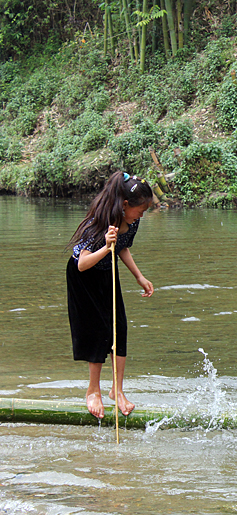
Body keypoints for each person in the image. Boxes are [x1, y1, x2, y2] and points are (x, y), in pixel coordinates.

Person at [67, 171, 154, 419]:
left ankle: (117, 390)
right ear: (125, 205)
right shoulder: (97, 223)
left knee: (119, 328)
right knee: (98, 331)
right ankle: (93, 390)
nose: (142, 214)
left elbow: (122, 247)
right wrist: (106, 246)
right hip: (85, 277)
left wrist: (139, 276)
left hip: (107, 270)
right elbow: (83, 264)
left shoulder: (132, 221)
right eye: (141, 209)